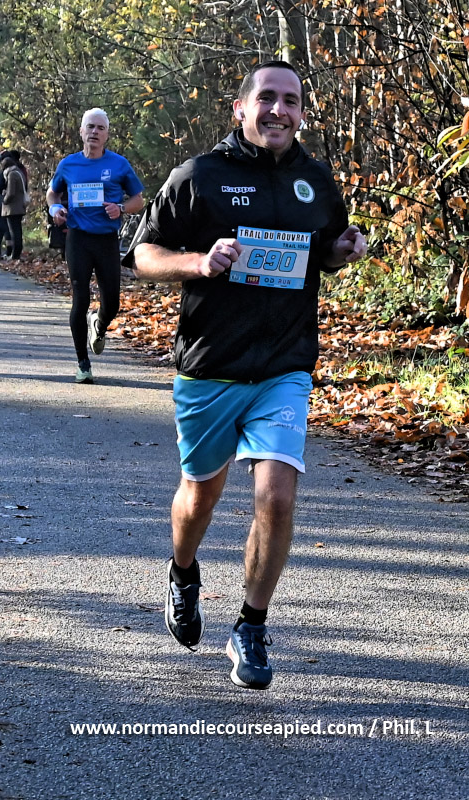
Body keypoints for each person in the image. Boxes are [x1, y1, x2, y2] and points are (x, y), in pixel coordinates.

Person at [126, 61, 367, 690]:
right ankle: (182, 572)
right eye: (267, 98)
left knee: (277, 496)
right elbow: (143, 254)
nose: (279, 111)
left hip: (284, 364)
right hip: (212, 365)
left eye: (291, 101)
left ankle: (251, 626)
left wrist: (341, 251)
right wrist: (199, 263)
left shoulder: (316, 179)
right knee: (200, 495)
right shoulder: (200, 176)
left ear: (301, 113)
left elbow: (325, 251)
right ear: (240, 108)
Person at [46, 108, 144, 385]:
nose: (94, 132)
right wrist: (55, 208)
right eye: (90, 127)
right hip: (77, 238)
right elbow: (53, 192)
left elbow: (138, 200)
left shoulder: (119, 164)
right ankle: (83, 364)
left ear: (107, 134)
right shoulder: (68, 164)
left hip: (106, 240)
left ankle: (98, 324)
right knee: (81, 299)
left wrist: (121, 208)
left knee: (112, 302)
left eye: (100, 128)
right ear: (81, 131)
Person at [0, 157, 27, 261]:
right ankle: (17, 253)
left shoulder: (11, 174)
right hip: (19, 206)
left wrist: (4, 200)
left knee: (14, 232)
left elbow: (11, 192)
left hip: (12, 208)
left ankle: (15, 255)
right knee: (17, 231)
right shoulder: (19, 173)